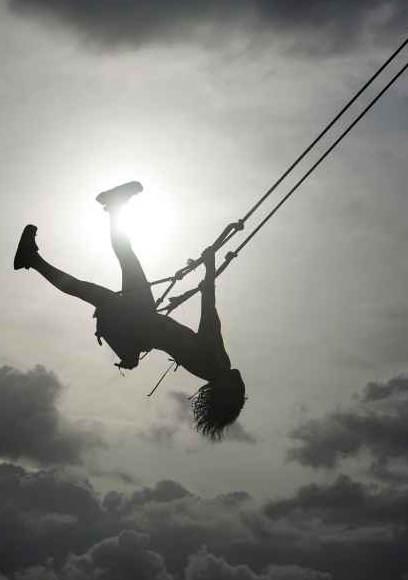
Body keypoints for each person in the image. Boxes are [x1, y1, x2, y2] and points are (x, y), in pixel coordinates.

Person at [13, 181, 246, 439]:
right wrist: (206, 277)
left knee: (107, 272)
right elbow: (199, 324)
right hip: (142, 325)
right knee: (92, 284)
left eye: (238, 391)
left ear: (226, 390)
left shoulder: (216, 364)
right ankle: (34, 258)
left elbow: (209, 316)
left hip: (141, 319)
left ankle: (106, 212)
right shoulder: (210, 369)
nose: (241, 382)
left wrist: (210, 268)